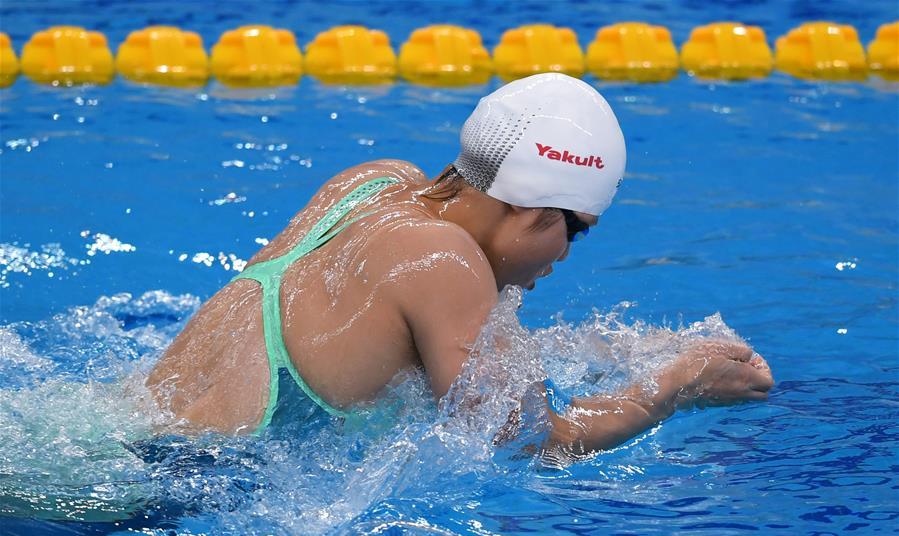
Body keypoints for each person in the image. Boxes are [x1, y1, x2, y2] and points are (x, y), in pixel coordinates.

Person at [147, 73, 774, 453]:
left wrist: (629, 349)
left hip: (124, 432)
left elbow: (462, 356)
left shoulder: (373, 185)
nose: (562, 258)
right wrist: (670, 390)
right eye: (573, 234)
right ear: (536, 212)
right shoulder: (447, 262)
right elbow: (526, 440)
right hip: (168, 490)